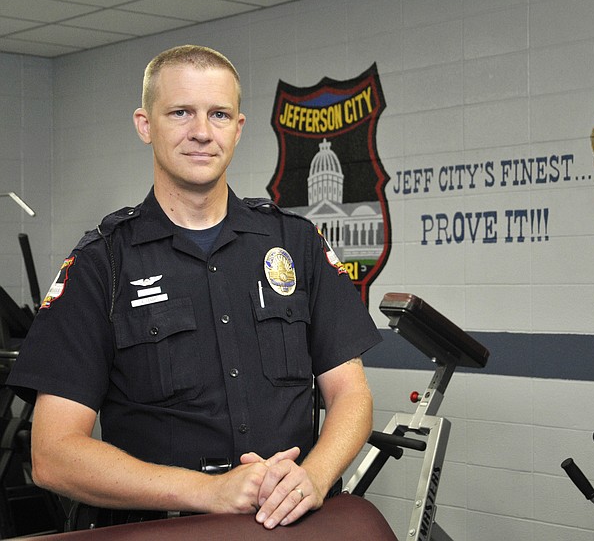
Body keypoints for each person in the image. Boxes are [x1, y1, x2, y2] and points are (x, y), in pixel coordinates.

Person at [6, 45, 381, 530]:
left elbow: (352, 394)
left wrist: (315, 476)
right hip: (156, 529)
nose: (202, 132)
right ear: (145, 125)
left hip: (288, 524)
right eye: (180, 112)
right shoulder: (104, 264)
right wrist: (209, 490)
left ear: (239, 128)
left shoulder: (296, 243)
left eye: (218, 114)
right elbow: (53, 455)